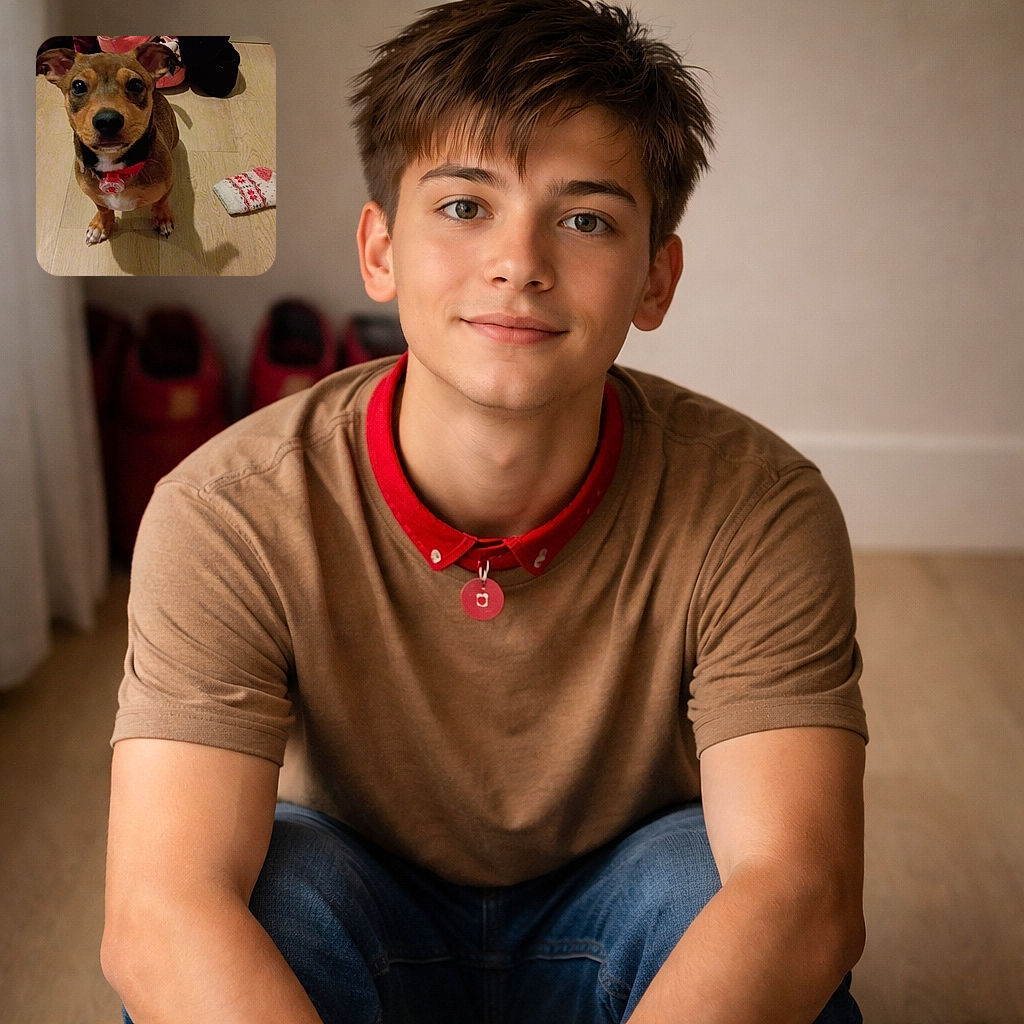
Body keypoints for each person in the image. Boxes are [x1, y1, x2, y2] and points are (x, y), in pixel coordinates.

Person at [101, 0, 868, 1020]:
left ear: (656, 276)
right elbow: (158, 911)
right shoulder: (224, 509)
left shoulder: (760, 506)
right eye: (465, 207)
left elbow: (801, 894)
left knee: (716, 883)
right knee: (260, 894)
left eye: (586, 218)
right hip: (356, 925)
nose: (520, 264)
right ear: (379, 249)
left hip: (622, 923)